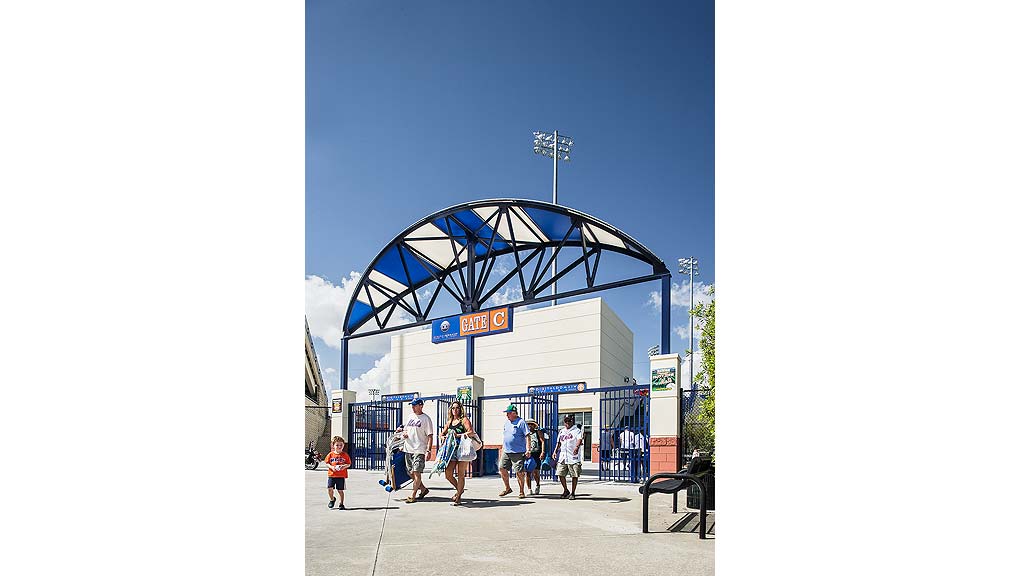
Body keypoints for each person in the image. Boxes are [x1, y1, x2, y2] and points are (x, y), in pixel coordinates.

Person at [439, 400, 479, 506]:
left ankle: (458, 497)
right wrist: (443, 437)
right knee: (448, 474)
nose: (455, 410)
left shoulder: (464, 420)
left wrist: (458, 435)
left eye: (457, 408)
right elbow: (442, 433)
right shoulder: (449, 421)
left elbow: (471, 432)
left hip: (463, 449)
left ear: (460, 409)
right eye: (453, 408)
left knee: (461, 474)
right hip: (451, 450)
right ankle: (460, 490)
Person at [397, 397, 433, 503]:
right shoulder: (410, 416)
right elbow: (406, 430)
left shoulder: (426, 419)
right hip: (408, 448)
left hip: (419, 449)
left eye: (415, 405)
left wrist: (429, 451)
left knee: (417, 472)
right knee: (410, 472)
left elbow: (430, 436)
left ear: (421, 406)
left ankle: (413, 495)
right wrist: (403, 433)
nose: (413, 407)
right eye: (412, 405)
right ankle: (423, 489)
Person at [498, 404, 529, 498]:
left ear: (514, 413)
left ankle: (521, 491)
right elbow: (506, 437)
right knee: (501, 468)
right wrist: (502, 448)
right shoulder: (507, 423)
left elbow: (527, 436)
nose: (507, 415)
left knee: (519, 472)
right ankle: (507, 488)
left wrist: (528, 449)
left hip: (518, 452)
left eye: (508, 413)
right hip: (506, 451)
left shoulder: (521, 422)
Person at [551, 414, 584, 500]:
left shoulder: (577, 430)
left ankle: (573, 493)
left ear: (572, 421)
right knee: (560, 473)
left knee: (574, 475)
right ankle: (566, 490)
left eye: (569, 421)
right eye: (566, 421)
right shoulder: (562, 431)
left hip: (573, 457)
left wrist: (576, 447)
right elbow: (558, 442)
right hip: (563, 456)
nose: (567, 422)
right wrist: (555, 452)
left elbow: (580, 439)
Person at [324, 436, 351, 510]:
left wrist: (343, 466)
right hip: (332, 475)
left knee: (340, 490)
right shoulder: (330, 454)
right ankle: (332, 499)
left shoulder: (345, 455)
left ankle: (341, 504)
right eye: (337, 445)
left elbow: (348, 464)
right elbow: (327, 463)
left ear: (343, 445)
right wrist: (332, 467)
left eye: (341, 445)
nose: (339, 447)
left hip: (341, 476)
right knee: (330, 489)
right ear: (333, 445)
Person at [524, 418, 545, 495]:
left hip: (536, 453)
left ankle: (537, 485)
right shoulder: (525, 433)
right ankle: (529, 489)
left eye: (531, 424)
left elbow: (542, 441)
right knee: (528, 472)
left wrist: (542, 452)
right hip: (528, 454)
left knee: (536, 472)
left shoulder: (538, 432)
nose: (530, 426)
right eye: (528, 424)